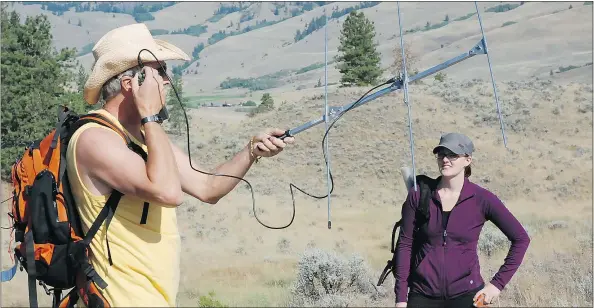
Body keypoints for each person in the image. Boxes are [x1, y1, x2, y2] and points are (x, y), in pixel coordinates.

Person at [65, 23, 295, 307]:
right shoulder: (94, 138)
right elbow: (169, 193)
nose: (167, 81)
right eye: (159, 71)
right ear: (131, 84)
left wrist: (251, 150)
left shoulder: (144, 137)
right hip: (119, 300)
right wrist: (150, 115)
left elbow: (209, 187)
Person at [393, 133, 530, 308]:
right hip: (422, 295)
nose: (445, 159)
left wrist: (496, 285)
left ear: (468, 160)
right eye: (441, 154)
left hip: (468, 295)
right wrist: (401, 298)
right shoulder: (419, 196)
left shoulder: (482, 199)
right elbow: (405, 244)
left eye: (452, 155)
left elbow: (521, 239)